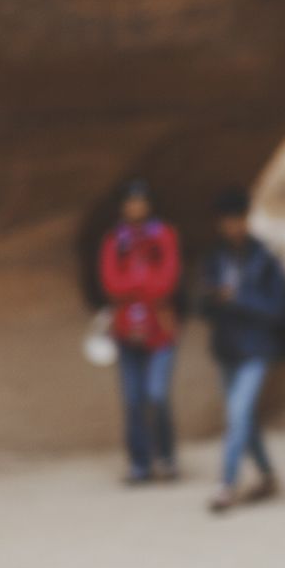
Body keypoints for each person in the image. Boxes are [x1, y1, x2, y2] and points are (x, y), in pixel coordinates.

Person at [198, 186, 285, 514]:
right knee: (245, 419)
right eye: (226, 220)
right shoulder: (215, 259)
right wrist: (213, 299)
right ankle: (267, 474)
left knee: (237, 415)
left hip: (257, 348)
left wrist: (238, 299)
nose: (231, 226)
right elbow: (203, 308)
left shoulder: (264, 259)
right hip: (227, 348)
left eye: (236, 219)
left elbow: (279, 308)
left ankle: (226, 483)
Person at [98, 179, 182, 484]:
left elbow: (168, 281)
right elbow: (110, 283)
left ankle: (167, 456)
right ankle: (140, 463)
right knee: (133, 400)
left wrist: (134, 288)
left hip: (160, 330)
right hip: (126, 333)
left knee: (157, 395)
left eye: (141, 201)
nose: (136, 207)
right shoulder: (115, 240)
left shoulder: (163, 235)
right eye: (131, 201)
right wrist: (144, 286)